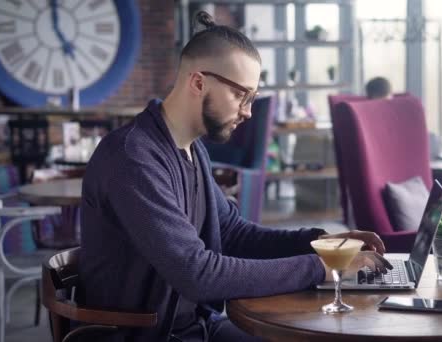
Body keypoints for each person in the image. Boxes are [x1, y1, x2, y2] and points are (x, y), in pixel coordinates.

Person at [79, 11, 391, 342]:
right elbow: (197, 273)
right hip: (143, 335)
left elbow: (234, 234)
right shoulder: (133, 157)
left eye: (252, 98)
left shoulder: (190, 149)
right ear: (198, 82)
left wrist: (324, 244)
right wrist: (322, 268)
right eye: (241, 95)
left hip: (193, 327)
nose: (248, 111)